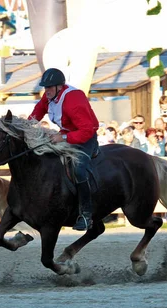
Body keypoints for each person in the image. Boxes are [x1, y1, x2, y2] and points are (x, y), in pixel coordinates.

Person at [29, 67, 99, 231]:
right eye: (45, 87)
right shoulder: (50, 96)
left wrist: (64, 137)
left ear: (59, 87)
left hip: (85, 138)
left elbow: (86, 130)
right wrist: (26, 126)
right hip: (66, 135)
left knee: (79, 169)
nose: (46, 91)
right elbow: (38, 111)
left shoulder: (73, 98)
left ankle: (86, 215)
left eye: (49, 87)